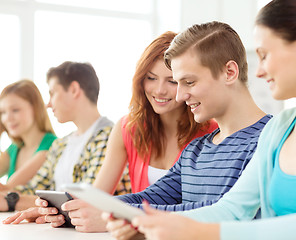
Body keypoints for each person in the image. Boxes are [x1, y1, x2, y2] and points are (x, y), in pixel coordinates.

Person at [117, 0, 296, 239]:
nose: (258, 71)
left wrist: (197, 231)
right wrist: (151, 222)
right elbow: (232, 210)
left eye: (264, 55)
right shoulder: (280, 128)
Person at [3, 32, 217, 232]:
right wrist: (53, 211)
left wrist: (122, 218)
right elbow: (96, 197)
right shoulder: (128, 129)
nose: (159, 90)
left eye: (171, 81)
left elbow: (209, 210)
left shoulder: (211, 131)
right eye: (151, 78)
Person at [91, 21, 271, 238]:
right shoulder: (195, 150)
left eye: (189, 82)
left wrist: (129, 215)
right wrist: (85, 206)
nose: (179, 96)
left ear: (230, 72)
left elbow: (222, 211)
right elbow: (149, 198)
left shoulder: (270, 139)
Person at [0, 61, 131, 212]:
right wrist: (9, 194)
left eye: (52, 93)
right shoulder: (61, 144)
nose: (48, 104)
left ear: (74, 90)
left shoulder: (109, 137)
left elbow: (83, 201)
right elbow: (34, 188)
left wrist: (12, 200)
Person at [0, 79, 56, 190]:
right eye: (3, 112)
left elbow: (7, 190)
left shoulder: (52, 145)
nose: (8, 118)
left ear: (35, 109)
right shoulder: (14, 149)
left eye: (15, 110)